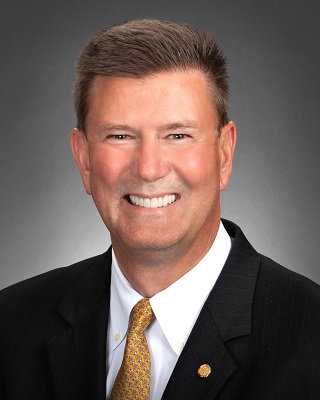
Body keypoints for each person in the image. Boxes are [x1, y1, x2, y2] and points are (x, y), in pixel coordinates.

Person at [0, 18, 319, 400]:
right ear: (84, 159)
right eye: (120, 136)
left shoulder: (311, 338)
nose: (149, 168)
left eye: (177, 135)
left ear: (224, 153)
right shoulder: (9, 326)